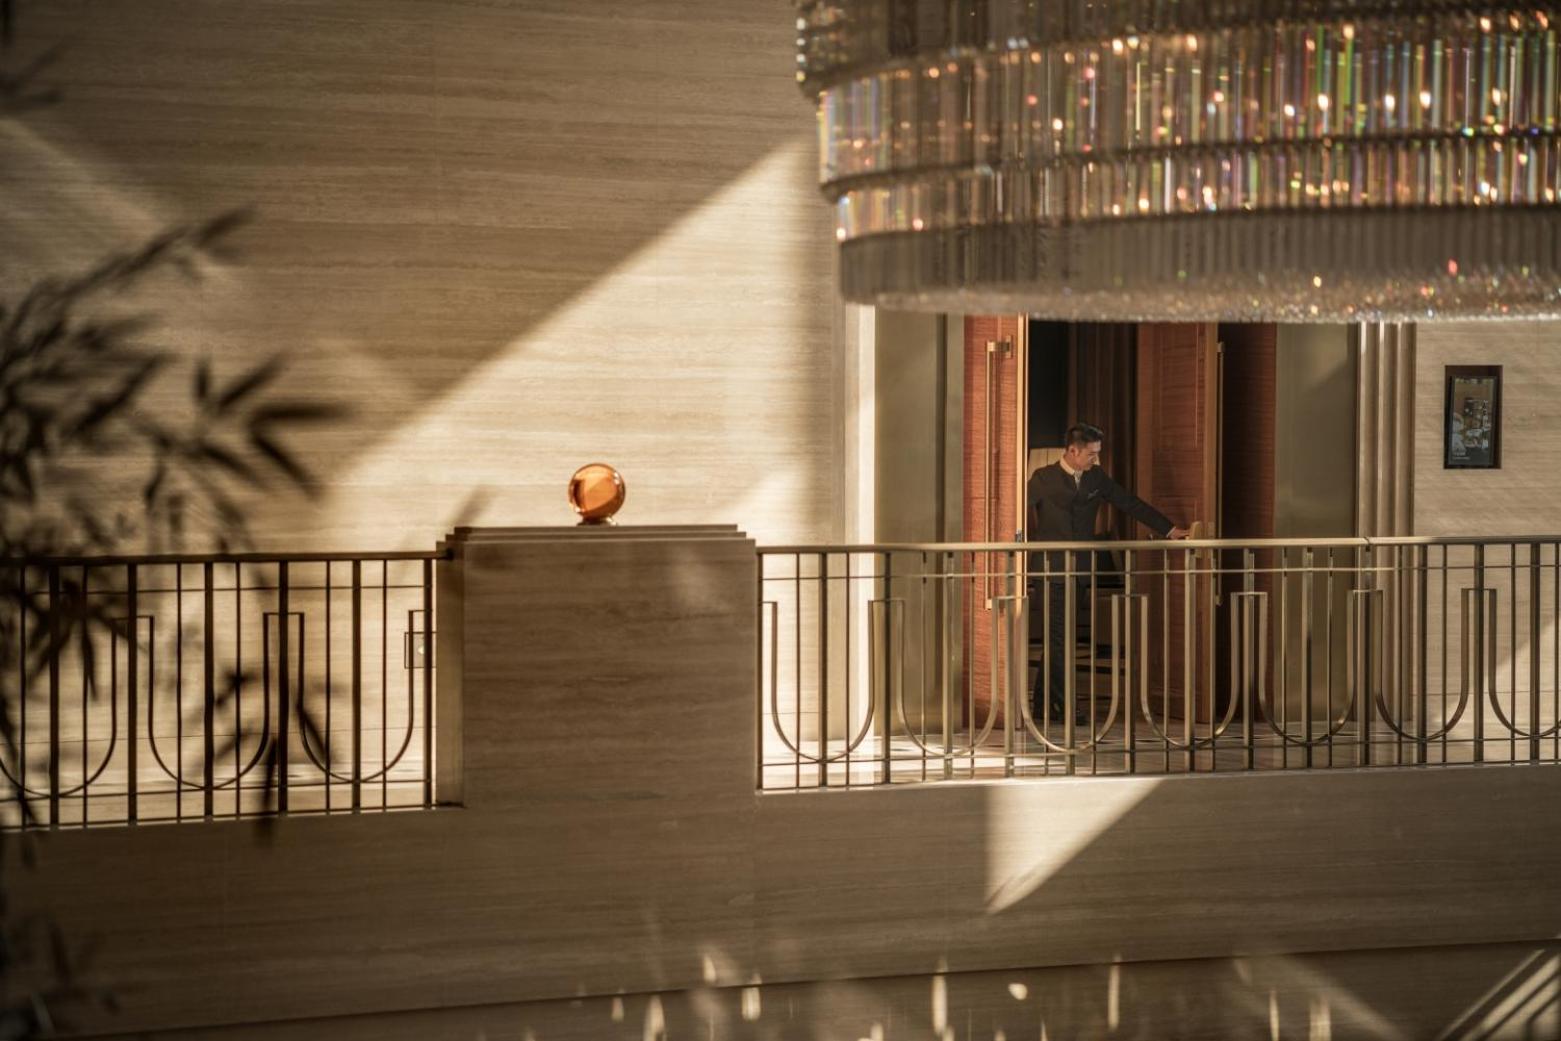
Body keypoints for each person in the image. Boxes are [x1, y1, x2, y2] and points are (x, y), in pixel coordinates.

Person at [1026, 423, 1189, 726]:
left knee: (1059, 639)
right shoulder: (1042, 478)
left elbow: (1129, 503)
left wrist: (1169, 529)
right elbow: (1015, 509)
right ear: (1072, 451)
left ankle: (1043, 705)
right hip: (1050, 571)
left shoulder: (1096, 478)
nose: (1096, 459)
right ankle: (1066, 705)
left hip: (1080, 571)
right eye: (1091, 454)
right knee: (1060, 639)